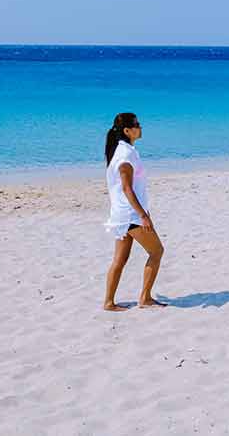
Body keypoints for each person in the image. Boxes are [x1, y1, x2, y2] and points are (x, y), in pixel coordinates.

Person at [102, 112, 165, 311]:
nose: (140, 127)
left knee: (119, 260)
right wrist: (143, 215)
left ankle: (109, 302)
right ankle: (145, 298)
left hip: (122, 215)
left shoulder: (122, 150)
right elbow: (127, 188)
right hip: (130, 216)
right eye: (137, 125)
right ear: (127, 130)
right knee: (157, 251)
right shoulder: (125, 154)